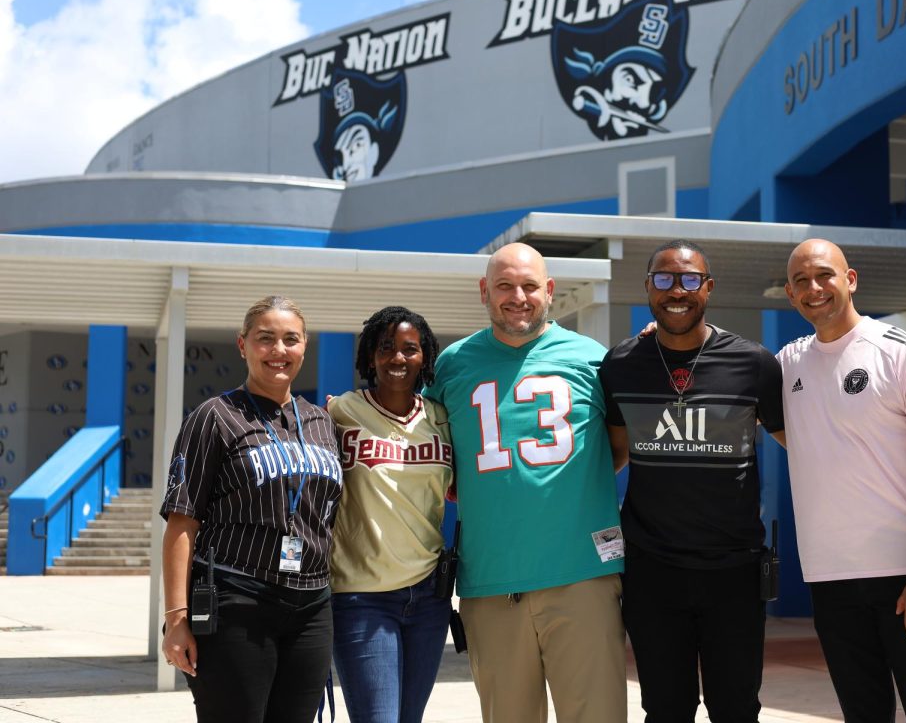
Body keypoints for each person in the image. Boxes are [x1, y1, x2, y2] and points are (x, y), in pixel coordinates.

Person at [423, 242, 626, 723]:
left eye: (530, 286)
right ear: (484, 292)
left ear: (550, 291)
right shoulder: (452, 364)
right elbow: (436, 454)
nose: (518, 297)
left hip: (581, 575)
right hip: (491, 581)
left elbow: (615, 450)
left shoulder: (593, 359)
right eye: (504, 286)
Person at [777, 239, 906, 723]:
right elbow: (731, 379)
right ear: (789, 293)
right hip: (832, 581)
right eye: (801, 281)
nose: (814, 288)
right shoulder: (787, 365)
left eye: (825, 275)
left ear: (851, 279)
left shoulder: (900, 352)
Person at [601, 239, 785, 723]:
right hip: (652, 572)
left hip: (735, 573)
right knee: (665, 709)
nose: (675, 291)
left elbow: (803, 446)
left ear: (708, 288)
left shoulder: (755, 365)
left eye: (688, 279)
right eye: (663, 279)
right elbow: (613, 456)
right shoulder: (620, 365)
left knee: (736, 709)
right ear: (647, 288)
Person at [160, 295, 344, 722]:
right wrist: (176, 620)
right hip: (238, 599)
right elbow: (182, 521)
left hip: (311, 605)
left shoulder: (322, 422)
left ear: (305, 347)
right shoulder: (215, 417)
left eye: (290, 339)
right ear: (243, 345)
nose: (279, 350)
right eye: (265, 339)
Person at [327, 306, 454, 723]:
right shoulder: (341, 412)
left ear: (425, 357)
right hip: (362, 597)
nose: (397, 358)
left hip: (429, 597)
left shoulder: (441, 419)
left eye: (409, 349)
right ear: (369, 356)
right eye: (386, 348)